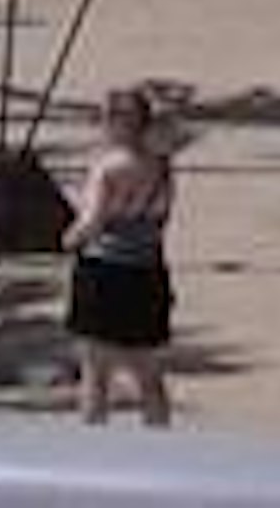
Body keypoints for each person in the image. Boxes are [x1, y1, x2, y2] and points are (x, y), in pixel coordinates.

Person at [65, 85, 180, 427]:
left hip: (105, 271)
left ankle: (94, 451)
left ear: (119, 123)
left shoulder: (109, 169)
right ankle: (160, 446)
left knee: (96, 374)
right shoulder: (162, 168)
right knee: (149, 375)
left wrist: (69, 239)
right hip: (148, 271)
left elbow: (93, 223)